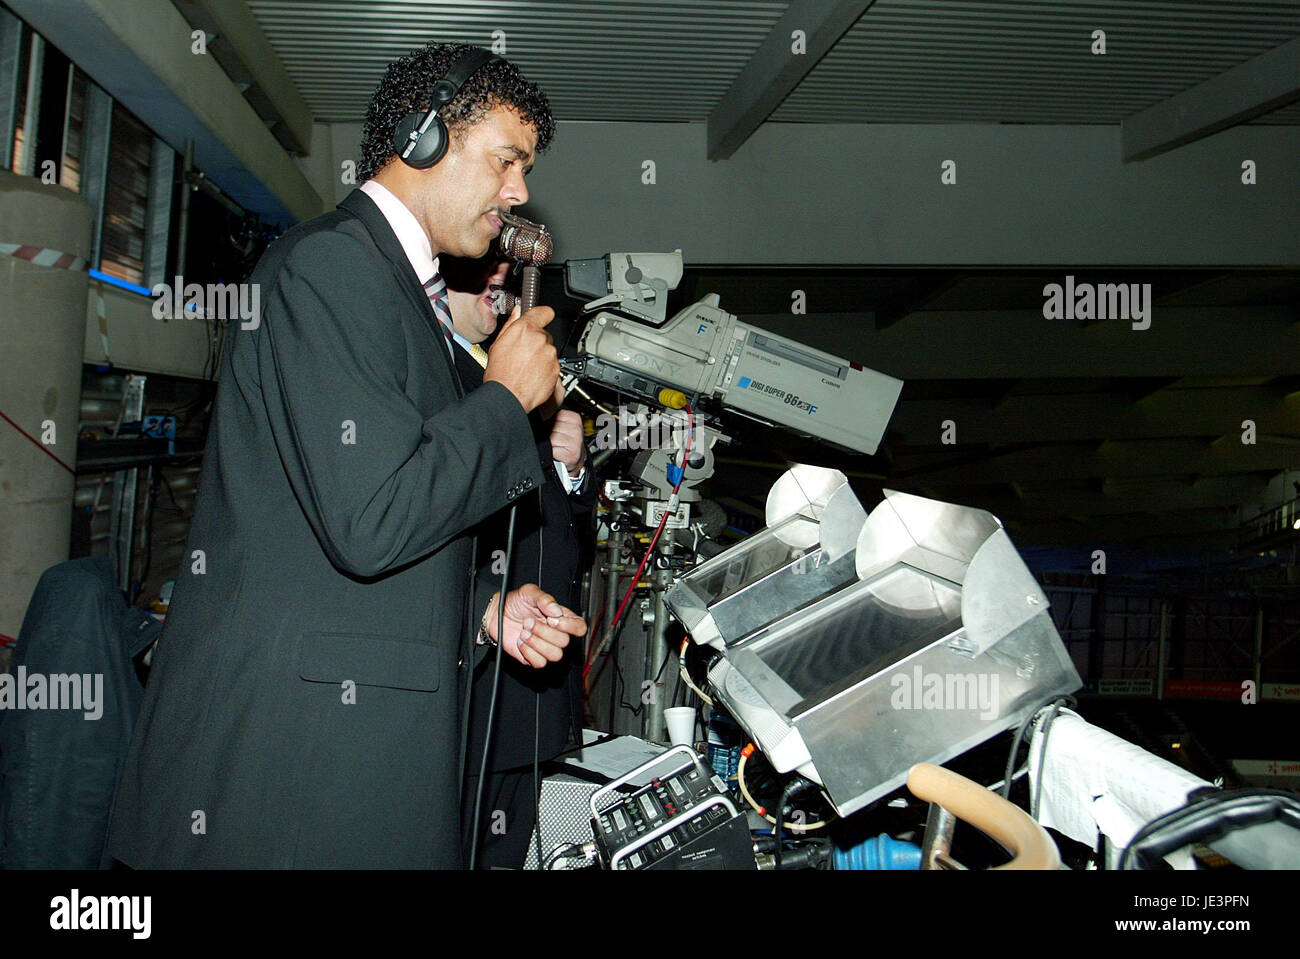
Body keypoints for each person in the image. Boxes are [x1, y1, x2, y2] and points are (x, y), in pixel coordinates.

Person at [107, 42, 586, 869]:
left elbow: (367, 507)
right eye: (506, 161)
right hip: (292, 769)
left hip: (341, 753)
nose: (518, 192)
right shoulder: (331, 266)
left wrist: (482, 608)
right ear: (423, 138)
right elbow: (370, 519)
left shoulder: (400, 291)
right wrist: (505, 400)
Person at [441, 255, 593, 867]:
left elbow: (561, 533)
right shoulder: (440, 380)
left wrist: (571, 472)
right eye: (480, 274)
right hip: (475, 690)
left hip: (532, 694)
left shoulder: (510, 378)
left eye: (502, 280)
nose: (498, 282)